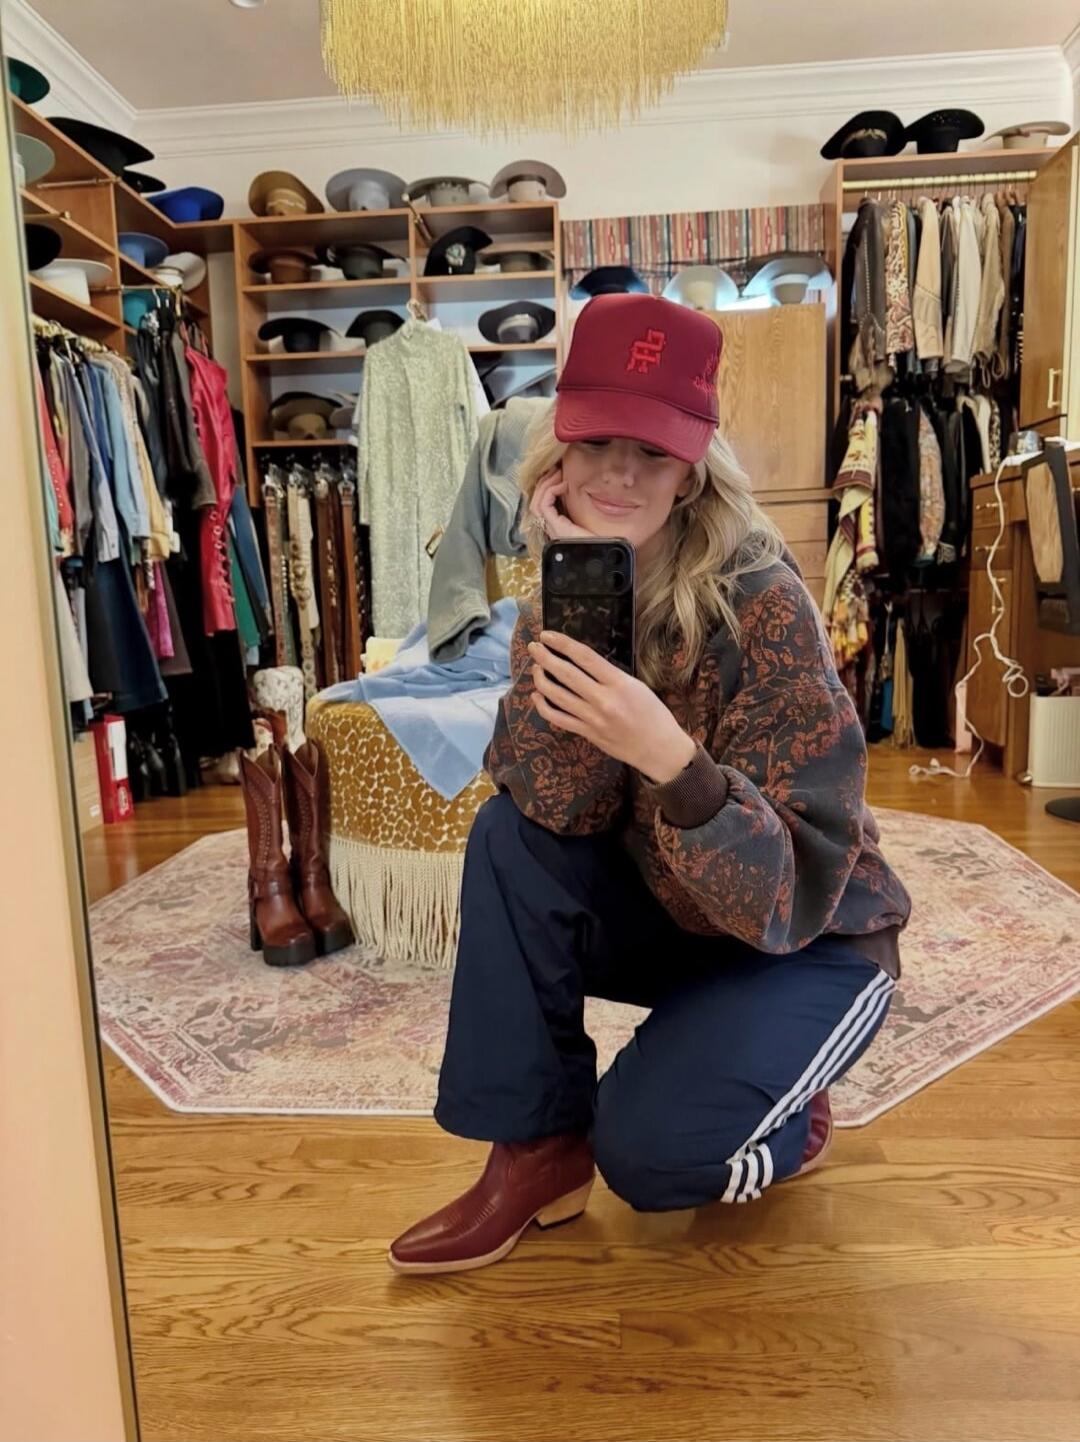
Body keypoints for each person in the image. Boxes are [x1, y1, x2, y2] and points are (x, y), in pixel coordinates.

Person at [389, 293, 911, 1275]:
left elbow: (792, 887)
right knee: (506, 837)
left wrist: (674, 760)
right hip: (681, 909)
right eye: (596, 444)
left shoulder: (764, 600)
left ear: (693, 466)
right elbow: (555, 809)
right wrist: (579, 594)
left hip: (809, 937)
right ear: (558, 451)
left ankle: (787, 1111)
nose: (621, 473)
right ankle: (538, 1147)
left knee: (657, 1155)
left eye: (654, 450)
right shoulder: (566, 583)